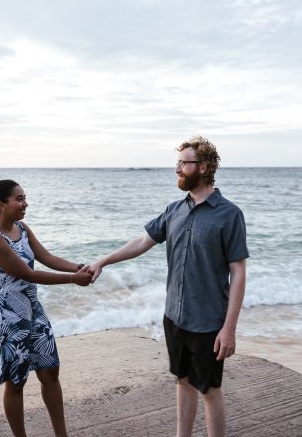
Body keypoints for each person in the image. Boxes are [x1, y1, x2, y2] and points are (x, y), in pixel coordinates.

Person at [90, 137, 248, 437]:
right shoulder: (175, 210)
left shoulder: (229, 214)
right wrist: (104, 260)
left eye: (183, 163)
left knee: (209, 390)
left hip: (209, 321)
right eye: (177, 163)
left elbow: (238, 272)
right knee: (183, 380)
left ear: (202, 167)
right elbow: (142, 241)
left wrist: (229, 328)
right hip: (175, 316)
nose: (177, 169)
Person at [0, 179, 93, 437]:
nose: (25, 203)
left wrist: (78, 267)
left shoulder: (22, 228)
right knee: (16, 383)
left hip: (34, 311)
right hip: (8, 318)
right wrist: (73, 280)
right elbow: (28, 275)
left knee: (51, 373)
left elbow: (47, 258)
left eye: (24, 197)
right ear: (2, 204)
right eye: (19, 199)